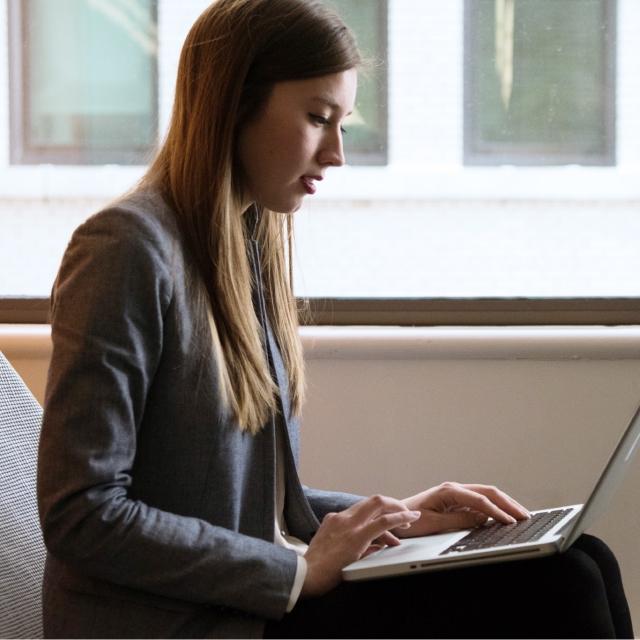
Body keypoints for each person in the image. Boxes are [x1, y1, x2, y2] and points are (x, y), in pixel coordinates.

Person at [37, 0, 634, 638]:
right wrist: (297, 573)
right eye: (319, 118)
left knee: (582, 557)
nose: (338, 154)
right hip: (177, 621)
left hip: (243, 600)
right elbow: (83, 512)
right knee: (560, 585)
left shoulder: (245, 245)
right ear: (233, 104)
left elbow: (254, 509)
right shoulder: (124, 249)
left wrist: (400, 520)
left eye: (343, 123)